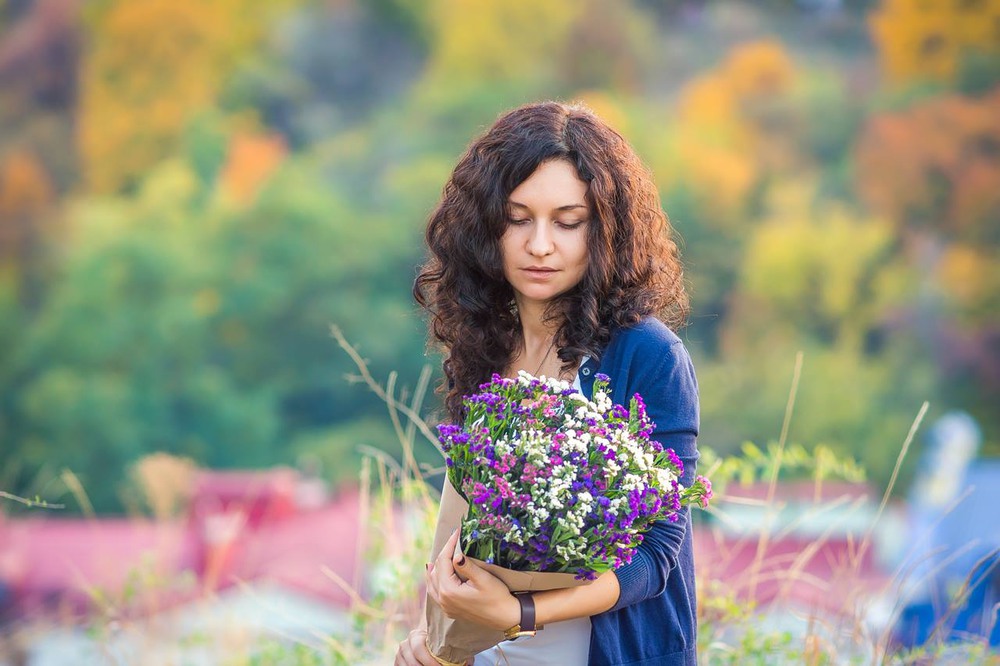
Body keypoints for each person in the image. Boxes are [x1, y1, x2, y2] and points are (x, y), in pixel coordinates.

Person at [396, 101, 700, 666]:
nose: (540, 245)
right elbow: (466, 522)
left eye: (567, 222)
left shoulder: (647, 354)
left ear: (606, 230)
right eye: (518, 218)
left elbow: (656, 557)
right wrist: (432, 641)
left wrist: (522, 615)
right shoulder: (487, 344)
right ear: (486, 226)